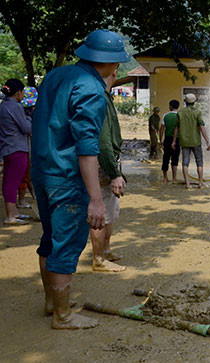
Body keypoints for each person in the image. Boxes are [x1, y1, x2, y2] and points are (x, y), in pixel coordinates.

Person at [32, 29, 129, 330]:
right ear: (113, 66)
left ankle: (52, 302)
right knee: (66, 245)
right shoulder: (91, 89)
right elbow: (87, 148)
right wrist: (96, 200)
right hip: (67, 177)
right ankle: (63, 316)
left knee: (49, 238)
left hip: (43, 171)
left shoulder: (55, 76)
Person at [90, 68, 126, 273]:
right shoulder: (99, 99)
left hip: (108, 162)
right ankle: (98, 258)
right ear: (113, 73)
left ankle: (106, 249)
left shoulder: (105, 97)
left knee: (111, 210)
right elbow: (103, 142)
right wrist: (114, 173)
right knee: (101, 212)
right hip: (103, 164)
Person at [0, 79, 32, 225]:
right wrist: (30, 119)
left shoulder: (4, 105)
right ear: (18, 92)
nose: (24, 95)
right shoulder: (15, 106)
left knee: (9, 181)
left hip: (7, 148)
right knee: (13, 182)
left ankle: (13, 212)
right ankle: (10, 216)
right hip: (17, 148)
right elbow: (26, 128)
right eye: (23, 92)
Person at [172, 93, 210, 189]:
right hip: (196, 141)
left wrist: (173, 141)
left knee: (185, 163)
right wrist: (207, 141)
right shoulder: (197, 113)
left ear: (185, 102)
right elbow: (202, 127)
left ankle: (187, 184)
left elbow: (176, 128)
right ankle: (200, 183)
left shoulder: (180, 113)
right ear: (194, 102)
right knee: (199, 162)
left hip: (184, 142)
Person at [17, 86, 38, 209]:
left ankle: (25, 199)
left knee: (27, 175)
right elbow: (27, 129)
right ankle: (23, 199)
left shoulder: (19, 110)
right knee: (26, 175)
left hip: (26, 145)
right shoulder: (27, 114)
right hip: (26, 145)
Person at [160, 100, 180, 183]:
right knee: (175, 159)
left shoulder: (165, 116)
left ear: (171, 106)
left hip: (167, 139)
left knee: (166, 158)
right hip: (177, 140)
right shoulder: (180, 116)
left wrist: (160, 140)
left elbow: (161, 129)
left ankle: (165, 178)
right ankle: (174, 178)